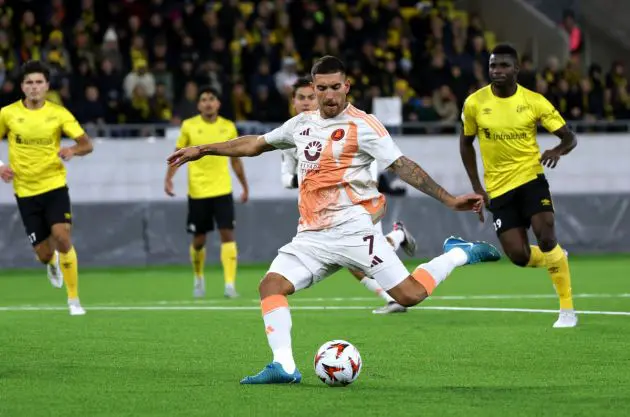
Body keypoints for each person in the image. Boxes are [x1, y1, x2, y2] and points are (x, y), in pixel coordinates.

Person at [168, 56, 500, 384]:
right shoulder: (301, 124)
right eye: (322, 88)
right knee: (271, 286)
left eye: (336, 87)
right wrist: (204, 149)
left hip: (355, 231)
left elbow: (402, 166)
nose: (329, 95)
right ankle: (283, 366)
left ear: (347, 86)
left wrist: (449, 198)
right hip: (311, 236)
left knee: (409, 295)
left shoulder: (364, 125)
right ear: (313, 88)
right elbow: (255, 144)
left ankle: (458, 253)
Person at [459, 44, 578, 328]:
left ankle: (567, 310)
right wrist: (477, 187)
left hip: (530, 178)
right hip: (498, 189)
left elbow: (569, 137)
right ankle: (556, 258)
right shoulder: (474, 103)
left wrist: (557, 151)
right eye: (492, 66)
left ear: (516, 69)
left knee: (546, 233)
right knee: (519, 256)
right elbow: (465, 144)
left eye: (503, 66)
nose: (497, 71)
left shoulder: (534, 101)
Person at [282, 77, 414, 314]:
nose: (305, 102)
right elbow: (286, 178)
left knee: (363, 258)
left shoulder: (349, 125)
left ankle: (395, 296)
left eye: (310, 97)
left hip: (357, 202)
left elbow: (366, 160)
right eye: (300, 98)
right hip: (322, 210)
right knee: (361, 257)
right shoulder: (294, 133)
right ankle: (398, 236)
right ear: (293, 101)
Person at [0, 60, 93, 315]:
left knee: (63, 237)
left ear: (47, 86)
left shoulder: (59, 114)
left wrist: (72, 150)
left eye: (39, 82)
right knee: (42, 253)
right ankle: (50, 262)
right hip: (25, 191)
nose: (34, 87)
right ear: (22, 86)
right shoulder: (7, 114)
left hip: (54, 186)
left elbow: (87, 144)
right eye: (29, 82)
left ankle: (74, 300)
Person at [165, 86, 249, 299]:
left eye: (212, 99)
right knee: (199, 240)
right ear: (199, 104)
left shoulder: (228, 126)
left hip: (222, 189)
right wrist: (168, 179)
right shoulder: (189, 126)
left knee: (227, 234)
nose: (208, 103)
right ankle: (198, 278)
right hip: (198, 191)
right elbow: (177, 156)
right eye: (204, 99)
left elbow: (236, 159)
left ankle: (230, 285)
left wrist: (244, 185)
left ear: (218, 103)